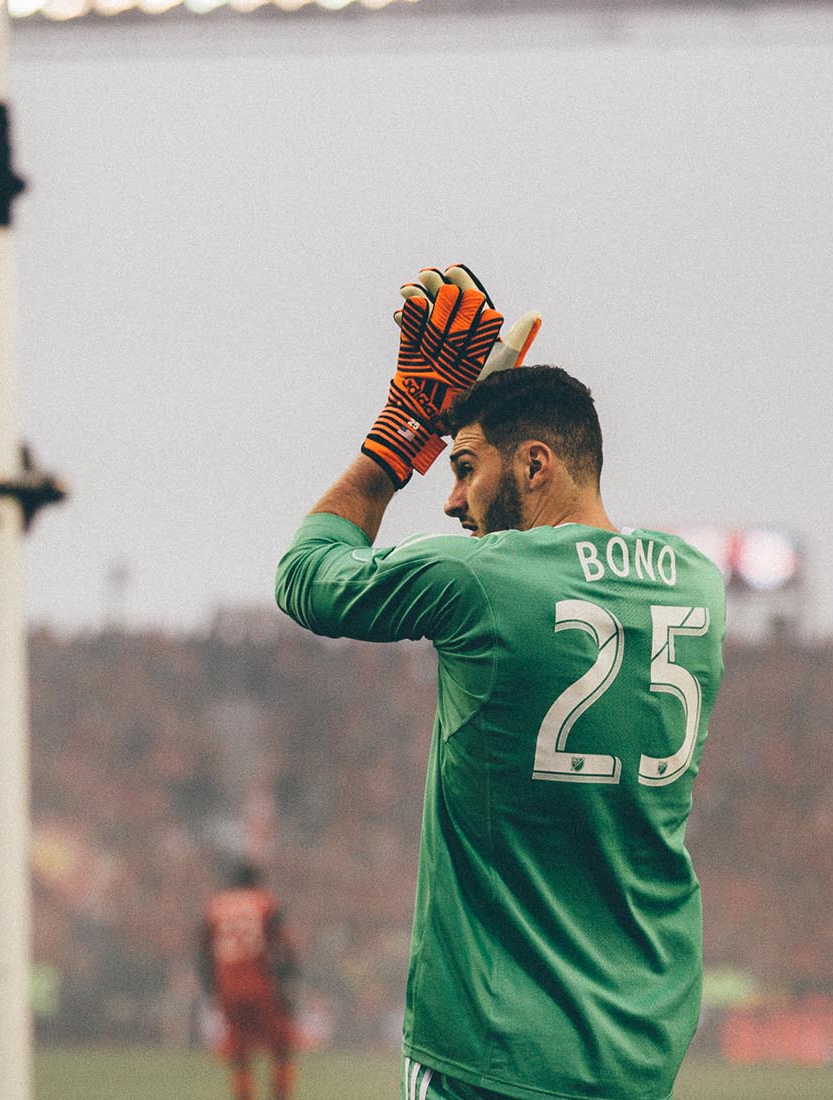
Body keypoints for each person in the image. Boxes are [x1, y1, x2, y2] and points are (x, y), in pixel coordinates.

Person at [275, 267, 727, 1100]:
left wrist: (405, 432)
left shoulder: (483, 581)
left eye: (465, 467)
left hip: (492, 1051)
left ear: (535, 463)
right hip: (635, 1051)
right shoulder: (697, 584)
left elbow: (306, 574)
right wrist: (476, 430)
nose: (452, 499)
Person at [199, 861, 297, 1100]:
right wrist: (289, 980)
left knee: (239, 1052)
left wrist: (210, 988)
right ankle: (280, 1095)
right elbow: (283, 945)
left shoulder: (216, 907)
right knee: (282, 1047)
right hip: (259, 983)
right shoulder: (264, 902)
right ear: (255, 882)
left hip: (227, 987)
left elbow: (203, 950)